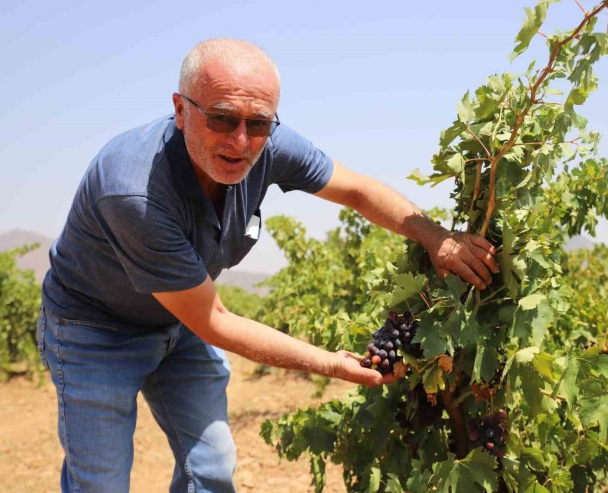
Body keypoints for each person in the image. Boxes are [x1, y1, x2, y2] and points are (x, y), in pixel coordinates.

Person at [37, 38, 499, 493]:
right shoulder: (134, 190)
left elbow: (356, 190)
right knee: (100, 484)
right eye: (221, 118)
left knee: (212, 469)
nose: (241, 140)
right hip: (93, 331)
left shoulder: (269, 142)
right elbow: (214, 320)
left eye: (258, 123)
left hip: (178, 325)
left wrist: (436, 237)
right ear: (181, 110)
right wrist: (330, 364)